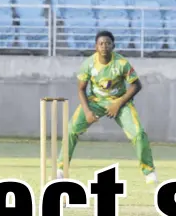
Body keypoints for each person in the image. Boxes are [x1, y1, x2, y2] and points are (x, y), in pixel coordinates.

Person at [56, 30, 158, 185]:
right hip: (95, 101)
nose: (104, 46)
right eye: (101, 43)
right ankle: (61, 169)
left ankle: (148, 171)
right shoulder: (88, 64)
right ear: (96, 47)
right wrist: (88, 111)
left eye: (108, 43)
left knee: (138, 133)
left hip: (120, 102)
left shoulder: (121, 63)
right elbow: (81, 89)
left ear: (113, 46)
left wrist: (118, 103)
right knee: (71, 130)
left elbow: (136, 85)